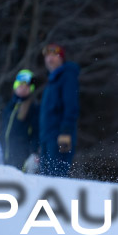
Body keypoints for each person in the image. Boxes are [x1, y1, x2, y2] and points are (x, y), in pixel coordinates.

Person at [39, 43, 80, 177]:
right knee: (45, 177)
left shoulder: (67, 76)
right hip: (46, 137)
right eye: (47, 56)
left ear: (61, 58)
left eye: (54, 55)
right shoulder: (51, 82)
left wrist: (66, 131)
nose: (50, 59)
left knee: (56, 177)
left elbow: (71, 105)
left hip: (58, 136)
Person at [2, 69, 40, 171]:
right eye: (21, 85)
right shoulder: (10, 106)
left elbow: (36, 131)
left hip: (22, 156)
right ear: (16, 86)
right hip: (6, 153)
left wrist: (33, 152)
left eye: (27, 86)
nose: (23, 88)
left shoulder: (32, 106)